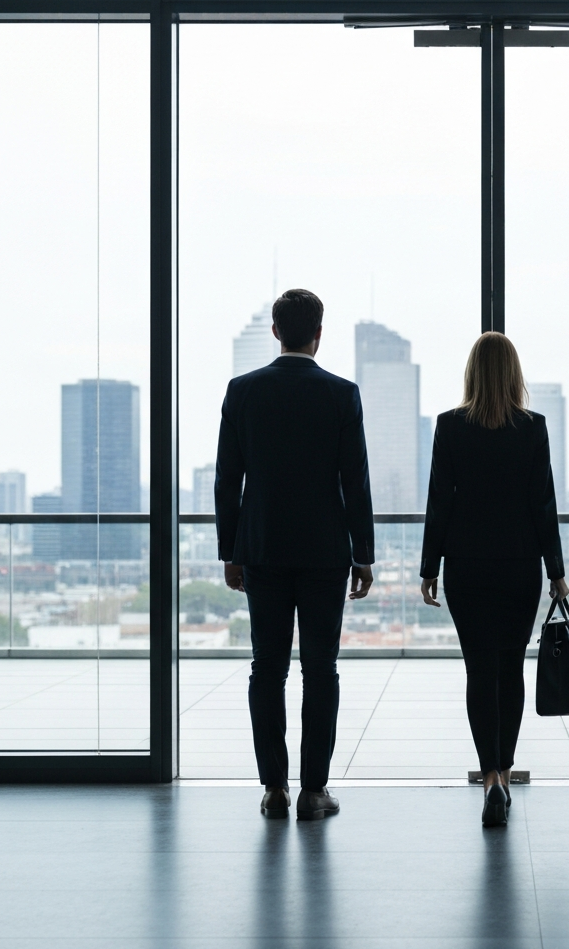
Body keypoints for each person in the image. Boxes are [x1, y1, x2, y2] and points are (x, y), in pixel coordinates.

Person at [215, 288, 374, 821]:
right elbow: (356, 480)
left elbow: (226, 481)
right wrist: (364, 554)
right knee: (321, 671)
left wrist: (229, 551)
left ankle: (274, 788)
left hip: (262, 550)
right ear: (319, 333)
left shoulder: (243, 392)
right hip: (326, 553)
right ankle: (313, 791)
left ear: (276, 332)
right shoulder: (341, 394)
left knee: (268, 670)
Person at [419, 332, 568, 828]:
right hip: (519, 567)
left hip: (466, 567)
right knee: (511, 671)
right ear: (514, 373)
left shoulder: (449, 427)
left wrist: (428, 569)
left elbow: (440, 502)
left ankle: (488, 781)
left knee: (479, 672)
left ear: (472, 372)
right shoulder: (533, 428)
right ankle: (505, 773)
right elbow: (542, 504)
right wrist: (557, 572)